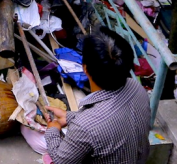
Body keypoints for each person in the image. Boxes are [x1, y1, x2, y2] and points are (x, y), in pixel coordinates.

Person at [44, 28, 151, 164]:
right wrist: (71, 116)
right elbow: (109, 122)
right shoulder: (137, 89)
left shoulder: (85, 127)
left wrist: (53, 131)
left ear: (85, 69)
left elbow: (61, 161)